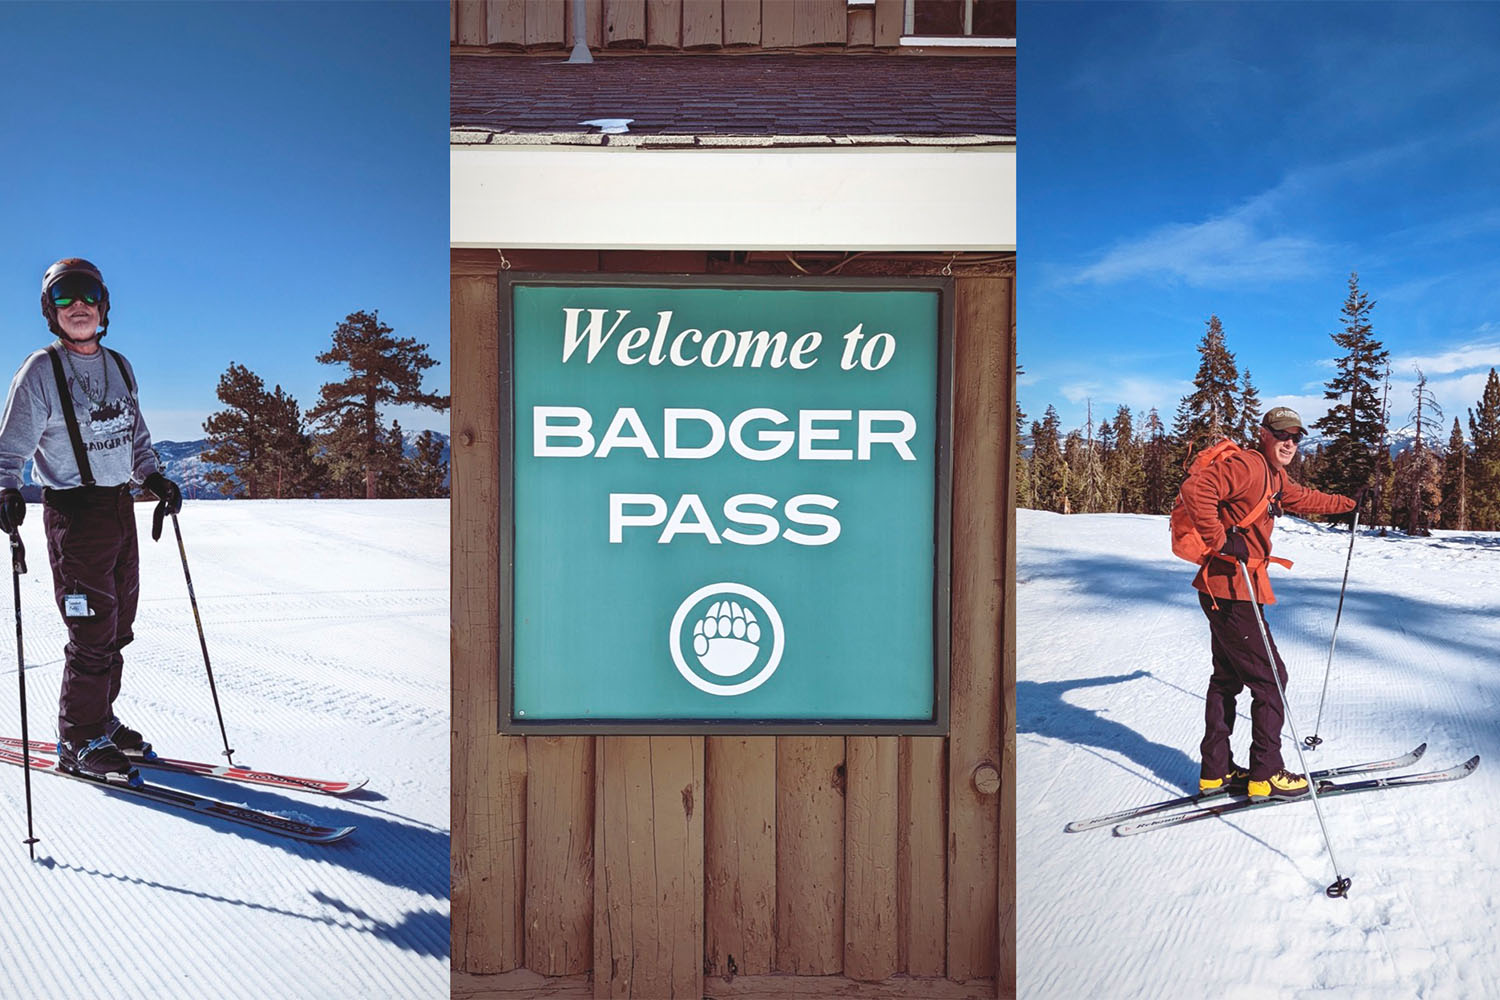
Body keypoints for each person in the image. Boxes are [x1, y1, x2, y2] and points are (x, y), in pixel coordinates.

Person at [0, 258, 181, 784]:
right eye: (64, 297)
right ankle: (78, 738)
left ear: (103, 306)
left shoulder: (120, 367)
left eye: (87, 295)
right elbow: (9, 450)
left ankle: (100, 719)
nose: (77, 305)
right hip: (74, 515)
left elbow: (136, 437)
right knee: (90, 629)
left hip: (119, 508)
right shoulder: (40, 371)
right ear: (49, 311)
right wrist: (6, 491)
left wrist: (155, 478)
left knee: (119, 624)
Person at [1179, 406, 1360, 799]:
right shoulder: (1249, 465)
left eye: (1296, 438)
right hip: (1231, 590)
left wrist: (1347, 502)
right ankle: (1267, 774)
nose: (1290, 443)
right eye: (1282, 435)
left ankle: (1217, 771)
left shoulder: (1274, 475)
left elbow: (1304, 498)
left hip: (1227, 590)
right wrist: (1220, 539)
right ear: (1264, 434)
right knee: (1271, 679)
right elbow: (1198, 490)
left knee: (1226, 679)